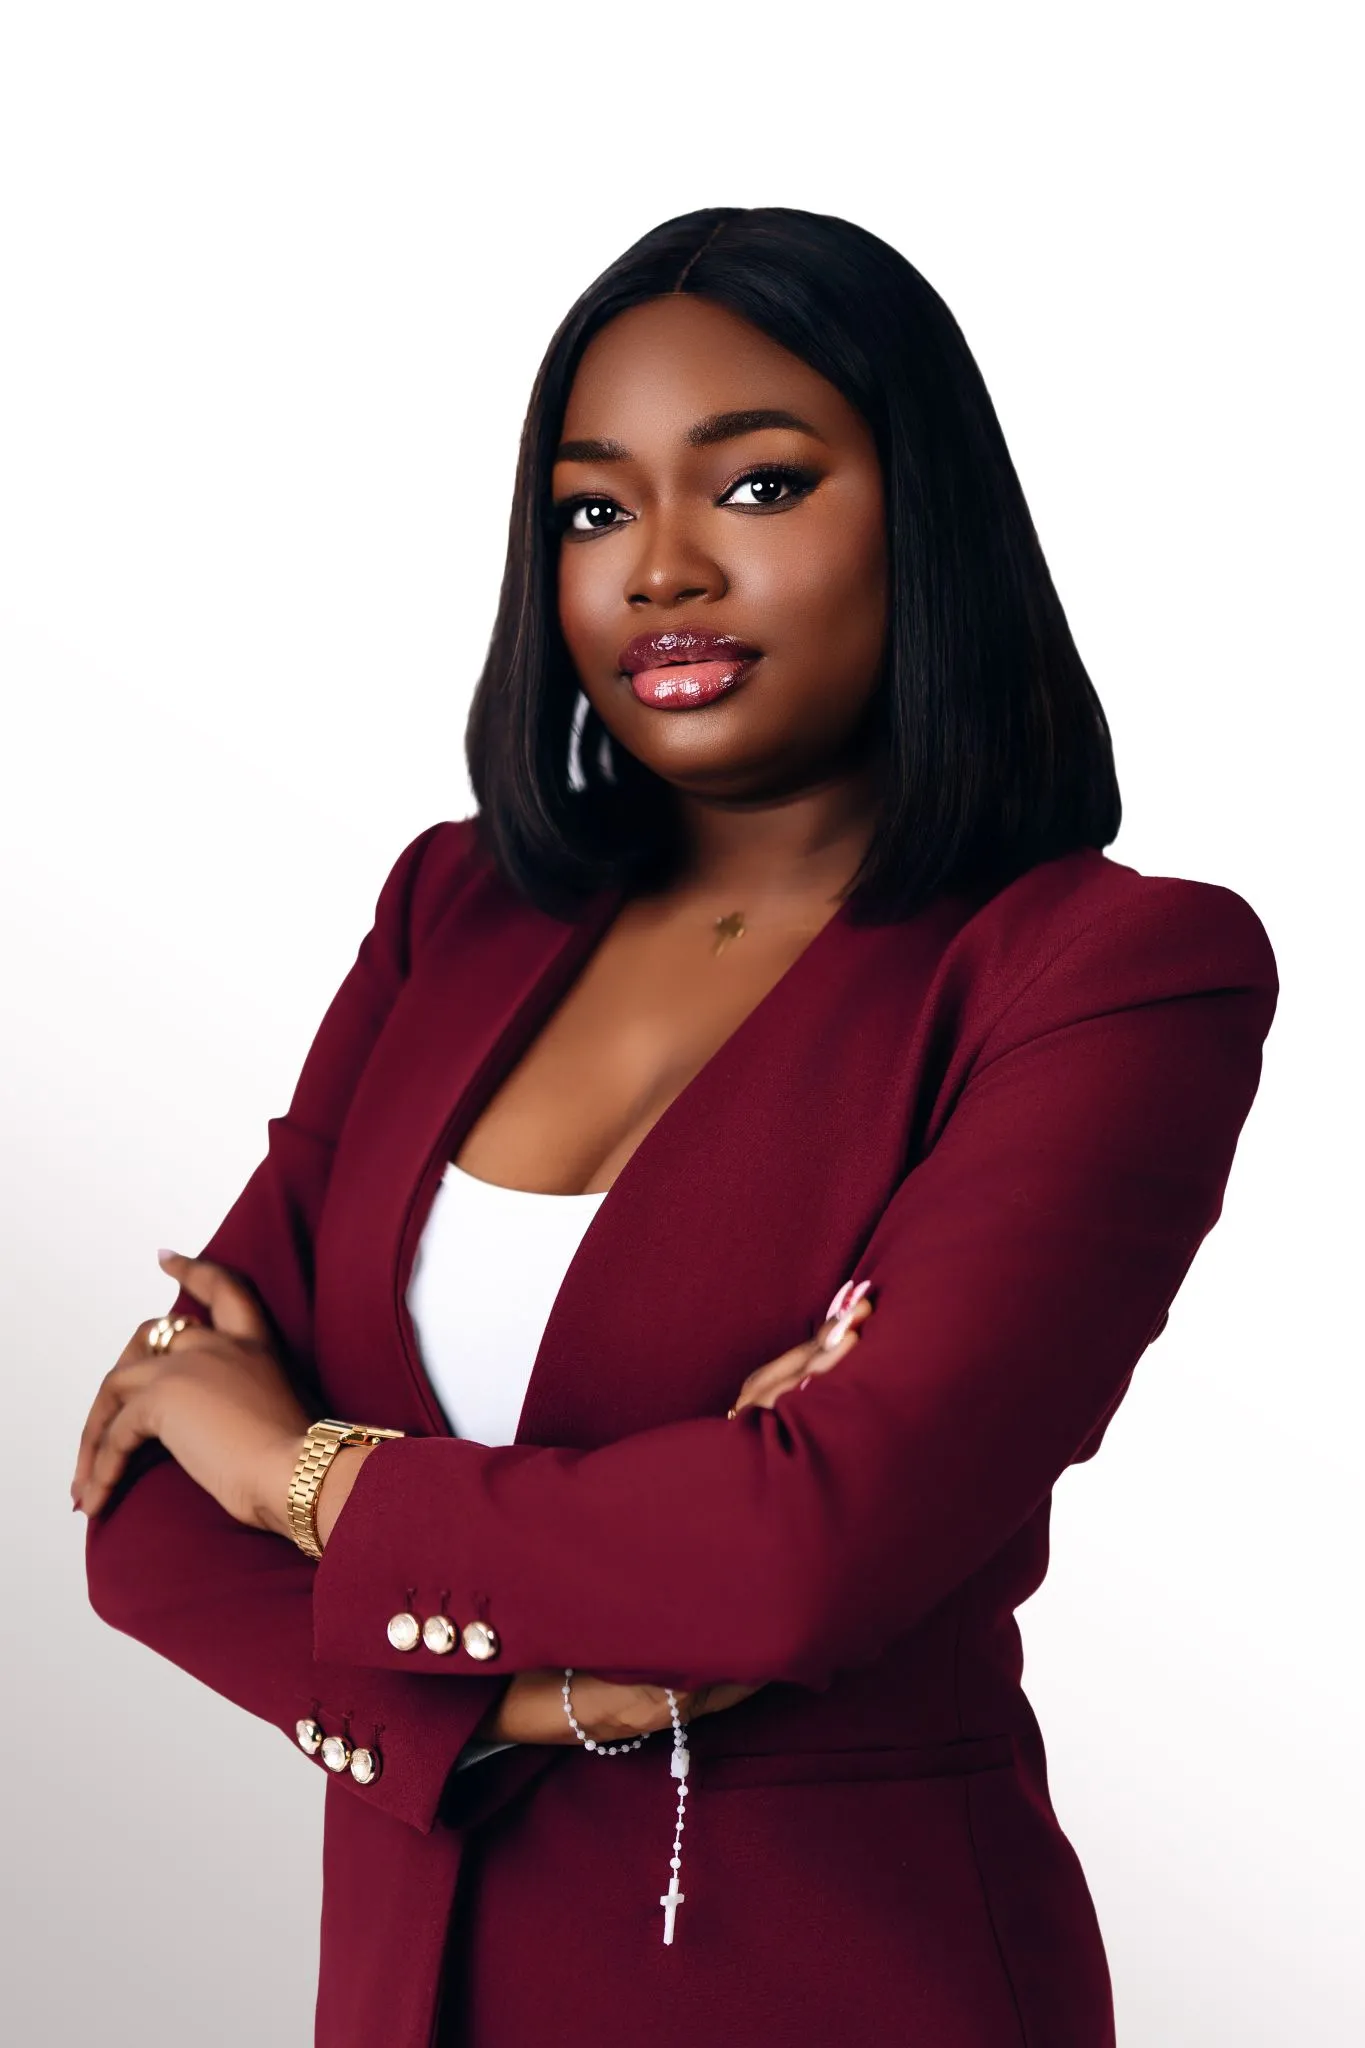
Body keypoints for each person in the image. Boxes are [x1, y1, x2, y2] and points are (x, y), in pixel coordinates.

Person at [73, 206, 1279, 2048]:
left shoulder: (1107, 975)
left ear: (925, 516)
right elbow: (147, 1518)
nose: (661, 572)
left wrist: (297, 1474)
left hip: (836, 1990)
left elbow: (804, 1550)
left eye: (762, 488)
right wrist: (539, 1701)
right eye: (592, 508)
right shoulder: (452, 913)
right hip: (404, 1993)